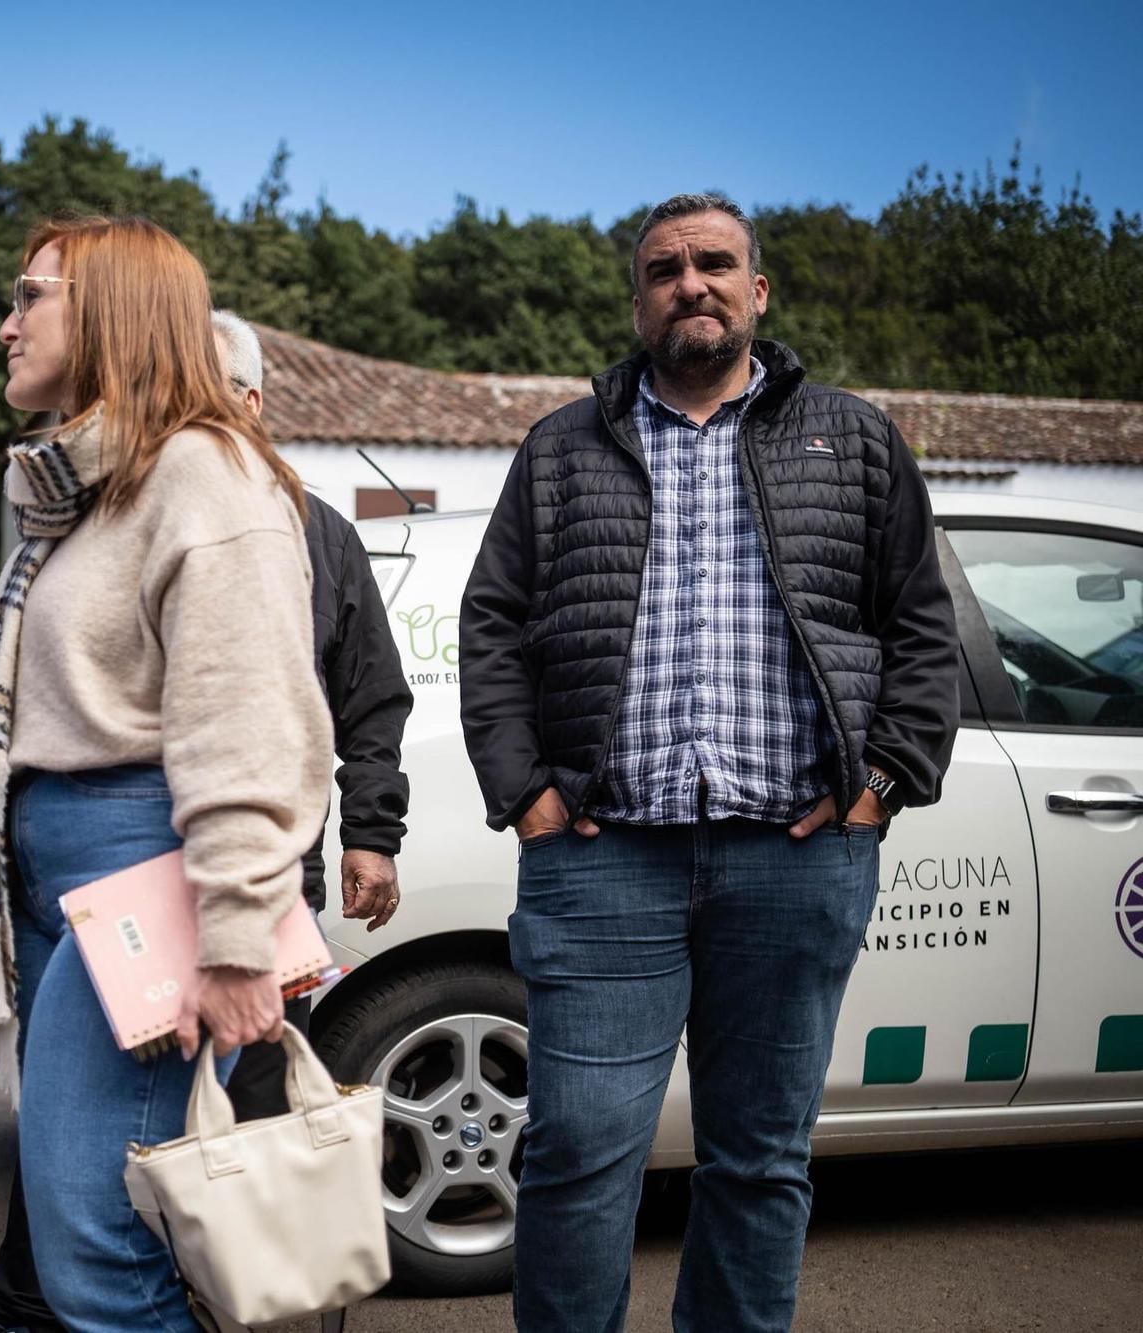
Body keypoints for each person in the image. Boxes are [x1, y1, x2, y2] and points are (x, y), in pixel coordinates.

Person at [459, 192, 960, 1332]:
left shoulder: (854, 439)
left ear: (756, 290)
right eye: (663, 268)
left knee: (759, 1160)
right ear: (637, 300)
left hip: (792, 856)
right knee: (578, 1149)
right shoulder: (561, 448)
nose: (690, 283)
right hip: (600, 858)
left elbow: (919, 627)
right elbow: (490, 623)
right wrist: (526, 793)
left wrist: (879, 785)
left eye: (713, 264)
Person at [0, 215, 332, 1333]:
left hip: (143, 866)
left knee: (94, 1250)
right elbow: (92, 692)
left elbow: (248, 723)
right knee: (77, 1232)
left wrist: (234, 938)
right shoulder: (89, 488)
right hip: (65, 870)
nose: (5, 323)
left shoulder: (203, 471)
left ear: (110, 311)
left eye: (28, 295)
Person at [208, 311, 412, 1122]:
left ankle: (238, 1256)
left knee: (260, 1102)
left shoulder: (321, 533)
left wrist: (370, 833)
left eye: (203, 390)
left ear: (252, 402)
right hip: (143, 871)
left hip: (279, 875)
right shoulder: (128, 515)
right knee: (135, 1114)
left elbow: (372, 697)